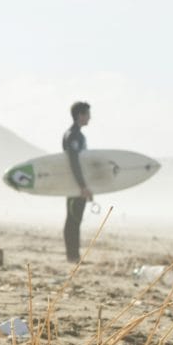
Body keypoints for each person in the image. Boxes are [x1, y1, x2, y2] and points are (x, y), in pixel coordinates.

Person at [63, 101, 92, 263]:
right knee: (73, 219)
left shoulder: (77, 134)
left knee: (75, 219)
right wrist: (82, 186)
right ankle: (72, 256)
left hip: (77, 184)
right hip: (74, 185)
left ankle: (74, 255)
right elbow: (74, 162)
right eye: (88, 114)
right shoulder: (73, 135)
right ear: (80, 115)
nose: (90, 118)